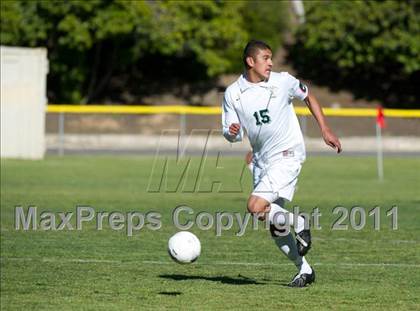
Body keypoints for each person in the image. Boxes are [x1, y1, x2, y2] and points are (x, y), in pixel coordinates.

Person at [222, 40, 342, 287]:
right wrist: (232, 131)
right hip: (262, 161)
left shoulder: (283, 81)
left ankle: (300, 223)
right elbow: (231, 133)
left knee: (255, 206)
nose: (271, 63)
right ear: (250, 61)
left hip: (288, 153)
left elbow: (308, 96)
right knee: (273, 223)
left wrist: (325, 129)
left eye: (271, 57)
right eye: (265, 58)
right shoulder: (233, 93)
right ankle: (304, 270)